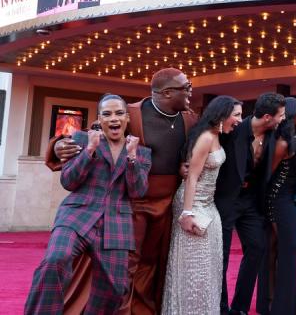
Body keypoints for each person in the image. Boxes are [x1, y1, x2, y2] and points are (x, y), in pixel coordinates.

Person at [48, 68, 197, 315]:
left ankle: (143, 310)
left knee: (152, 263)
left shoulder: (189, 119)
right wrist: (58, 145)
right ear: (167, 92)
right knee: (125, 264)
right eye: (186, 86)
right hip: (132, 199)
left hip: (167, 203)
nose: (191, 91)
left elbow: (204, 142)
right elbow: (93, 132)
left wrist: (186, 164)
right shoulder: (130, 112)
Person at [26, 94, 151, 314]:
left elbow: (138, 191)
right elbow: (68, 181)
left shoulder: (140, 152)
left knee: (114, 289)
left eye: (119, 113)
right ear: (99, 119)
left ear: (127, 118)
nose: (114, 118)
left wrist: (131, 158)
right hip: (77, 216)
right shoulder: (82, 140)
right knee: (56, 259)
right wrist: (90, 150)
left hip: (116, 223)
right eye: (107, 114)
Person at [162, 95, 242, 315]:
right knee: (195, 269)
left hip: (208, 204)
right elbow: (192, 178)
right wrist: (187, 213)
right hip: (193, 203)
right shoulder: (206, 137)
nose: (239, 120)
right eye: (236, 115)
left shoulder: (217, 135)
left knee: (210, 268)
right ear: (222, 115)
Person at [216, 92, 285, 315]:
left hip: (252, 201)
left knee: (257, 247)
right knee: (222, 256)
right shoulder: (233, 131)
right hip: (227, 199)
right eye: (280, 115)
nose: (282, 119)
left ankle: (239, 308)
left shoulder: (274, 135)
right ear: (267, 116)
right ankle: (221, 308)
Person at [258, 97, 296, 315]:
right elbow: (266, 176)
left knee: (282, 249)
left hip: (289, 198)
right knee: (287, 248)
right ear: (291, 114)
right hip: (278, 199)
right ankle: (280, 307)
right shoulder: (282, 142)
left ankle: (275, 304)